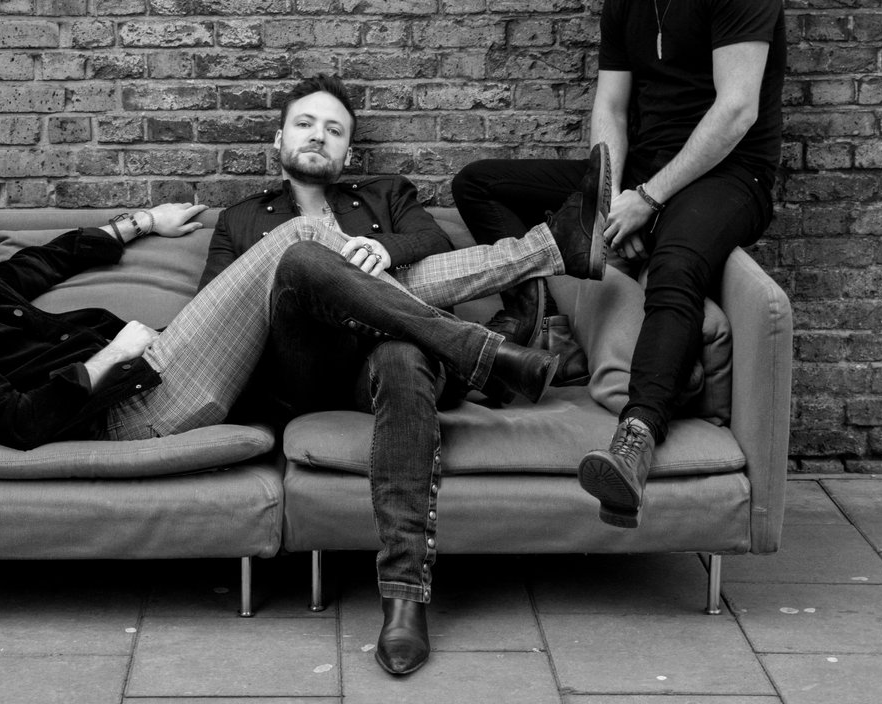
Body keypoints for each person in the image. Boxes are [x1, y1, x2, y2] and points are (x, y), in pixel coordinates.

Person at [201, 74, 607, 676]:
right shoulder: (238, 221)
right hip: (302, 370)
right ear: (279, 138)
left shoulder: (385, 195)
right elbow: (215, 311)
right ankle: (498, 335)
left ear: (347, 153)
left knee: (402, 354)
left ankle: (404, 598)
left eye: (334, 130)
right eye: (305, 124)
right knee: (303, 255)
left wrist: (386, 252)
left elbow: (432, 242)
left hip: (385, 360)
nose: (318, 136)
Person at [452, 0, 785, 530]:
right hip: (637, 177)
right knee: (481, 184)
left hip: (729, 177)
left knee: (679, 264)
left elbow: (737, 111)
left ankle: (635, 438)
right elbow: (609, 107)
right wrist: (606, 202)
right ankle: (534, 316)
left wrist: (650, 200)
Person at [0, 174, 598, 457]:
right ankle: (513, 304)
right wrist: (106, 360)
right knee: (302, 238)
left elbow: (43, 263)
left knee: (342, 267)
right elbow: (14, 421)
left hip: (160, 367)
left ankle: (540, 259)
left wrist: (140, 223)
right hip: (135, 404)